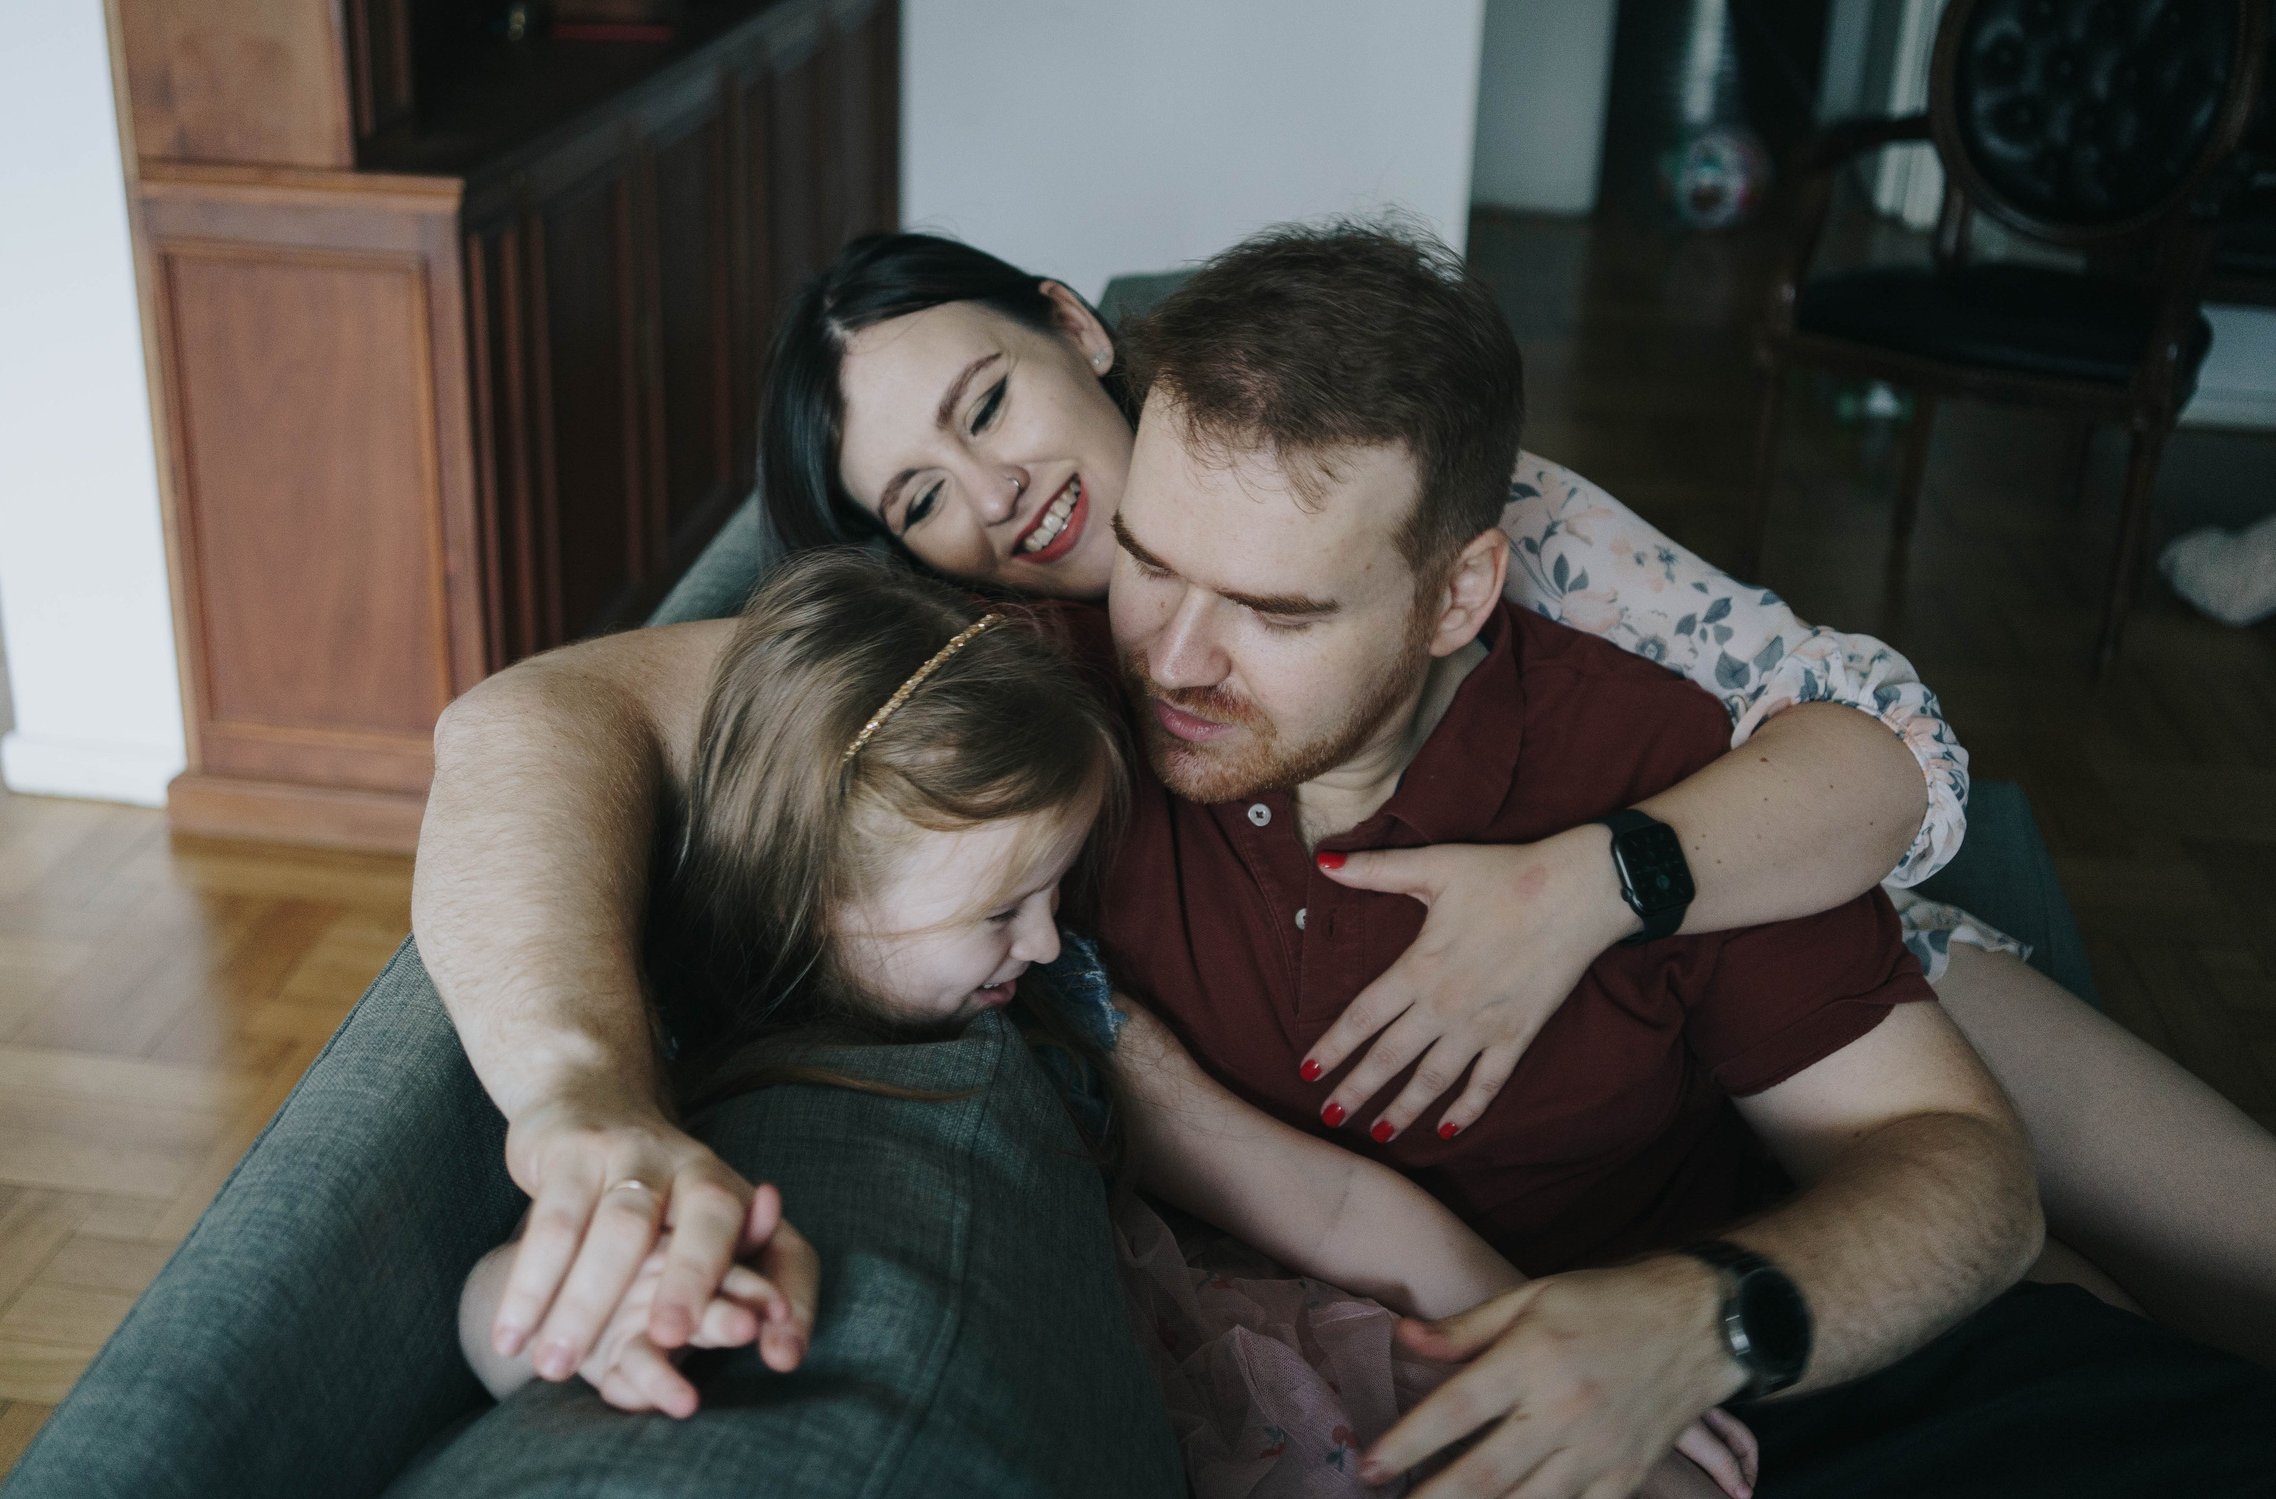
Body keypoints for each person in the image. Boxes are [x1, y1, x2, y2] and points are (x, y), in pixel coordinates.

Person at [414, 217, 2274, 1496]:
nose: (1177, 657)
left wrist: (1701, 1309)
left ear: (1461, 585)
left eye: (1278, 610)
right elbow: (524, 728)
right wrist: (583, 1102)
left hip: (1786, 1230)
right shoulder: (1016, 689)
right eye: (1148, 561)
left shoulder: (1616, 699)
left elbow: (1952, 1152)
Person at [456, 551, 1757, 1496]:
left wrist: (1531, 1321)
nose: (1043, 943)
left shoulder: (1061, 996)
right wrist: (576, 1301)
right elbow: (485, 1313)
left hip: (1241, 1347)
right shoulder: (695, 1061)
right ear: (816, 896)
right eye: (999, 909)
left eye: (1053, 894)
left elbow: (1322, 1202)